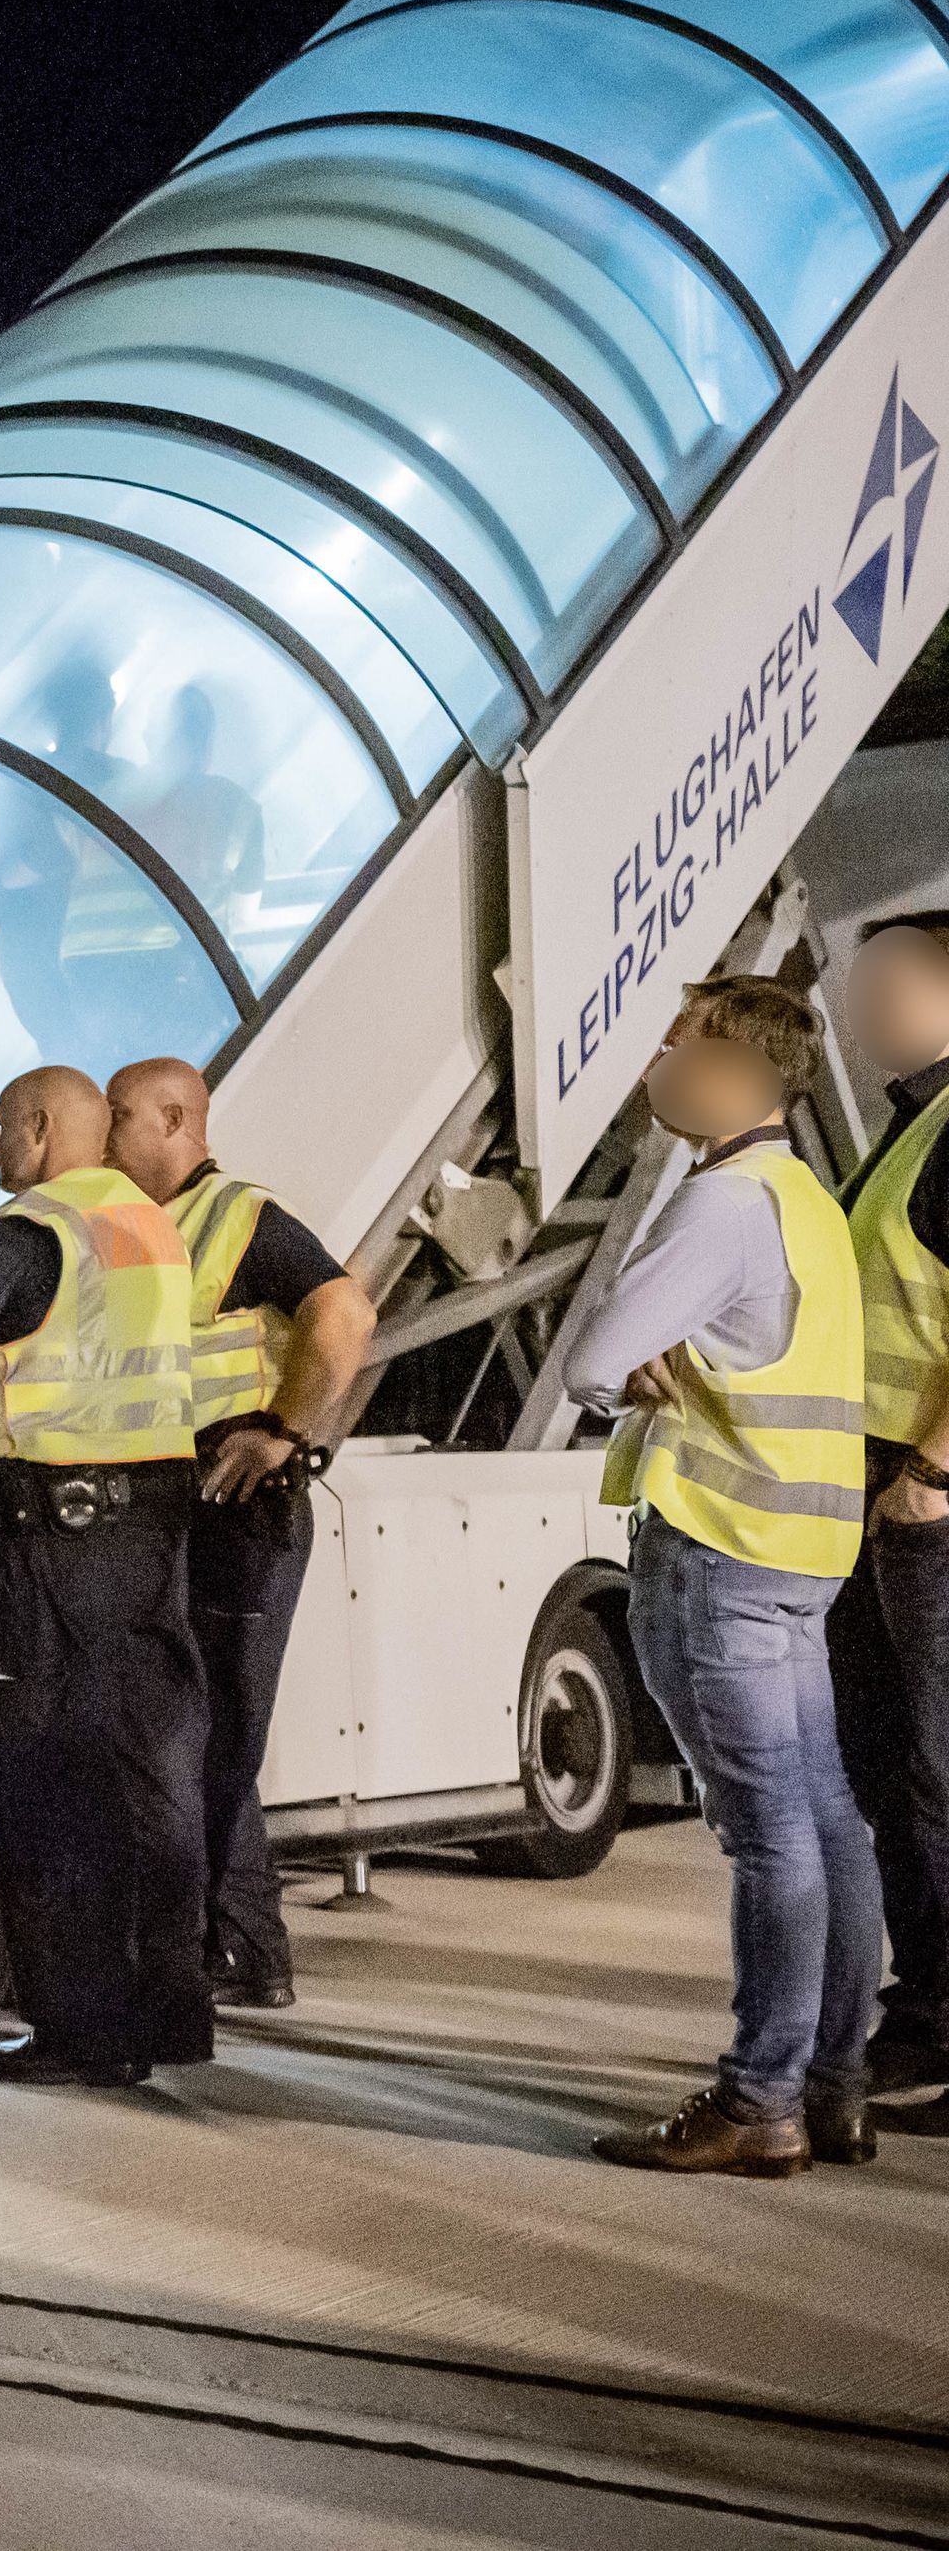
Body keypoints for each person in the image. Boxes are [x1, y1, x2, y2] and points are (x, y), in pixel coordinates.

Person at [569, 979, 878, 2176]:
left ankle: (759, 2101)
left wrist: (625, 1362)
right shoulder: (802, 1196)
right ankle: (833, 2084)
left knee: (767, 1837)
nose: (653, 1064)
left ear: (735, 1069)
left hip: (717, 1544)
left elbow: (599, 1355)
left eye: (672, 1044)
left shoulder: (722, 1200)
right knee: (825, 1820)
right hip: (801, 1549)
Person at [0, 1065, 209, 2089]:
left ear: (36, 1128)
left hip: (59, 1539)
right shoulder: (148, 1225)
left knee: (48, 1788)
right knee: (148, 1777)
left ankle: (77, 2030)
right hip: (153, 1532)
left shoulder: (25, 1233)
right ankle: (165, 2011)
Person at [106, 1058, 374, 2012]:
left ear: (178, 1118)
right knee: (196, 1732)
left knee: (211, 1734)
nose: (105, 1130)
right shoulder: (140, 1226)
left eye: (122, 1114)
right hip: (179, 1507)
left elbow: (344, 1308)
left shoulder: (238, 1216)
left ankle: (241, 1946)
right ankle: (243, 1946)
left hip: (235, 1505)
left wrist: (286, 1430)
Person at [834, 915, 949, 2099]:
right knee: (892, 1767)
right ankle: (921, 2008)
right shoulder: (906, 1127)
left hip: (926, 1502)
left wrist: (931, 1471)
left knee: (933, 1766)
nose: (858, 1003)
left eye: (884, 981)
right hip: (880, 1493)